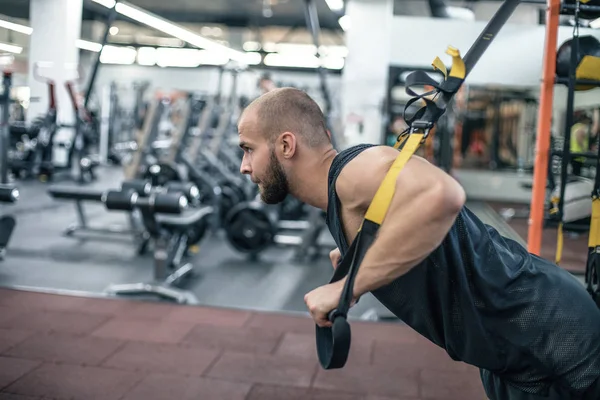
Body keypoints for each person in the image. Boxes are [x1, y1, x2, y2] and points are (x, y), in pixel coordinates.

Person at [236, 87, 600, 400]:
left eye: (248, 149)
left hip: (554, 340)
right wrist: (357, 258)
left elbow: (444, 195)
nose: (244, 166)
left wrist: (349, 287)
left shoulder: (353, 171)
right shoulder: (342, 197)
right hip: (512, 357)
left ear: (286, 144)